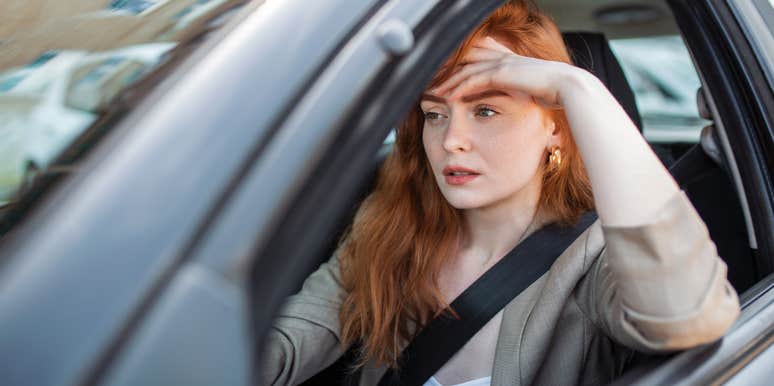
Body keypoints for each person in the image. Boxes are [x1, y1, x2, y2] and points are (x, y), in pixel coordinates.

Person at [260, 1, 741, 385]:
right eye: (434, 113)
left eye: (485, 110)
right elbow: (278, 350)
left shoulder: (593, 259)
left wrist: (579, 88)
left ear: (556, 127)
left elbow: (687, 316)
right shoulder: (388, 228)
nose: (451, 140)